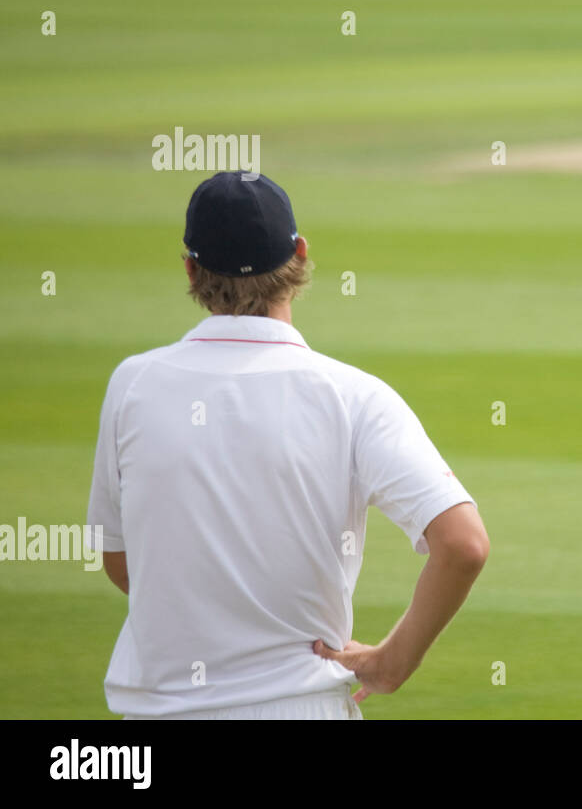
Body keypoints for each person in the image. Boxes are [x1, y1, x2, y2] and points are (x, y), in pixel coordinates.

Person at [87, 171, 488, 719]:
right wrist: (392, 664)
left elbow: (121, 561)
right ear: (299, 253)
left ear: (191, 269)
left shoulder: (132, 384)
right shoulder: (355, 395)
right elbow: (464, 544)